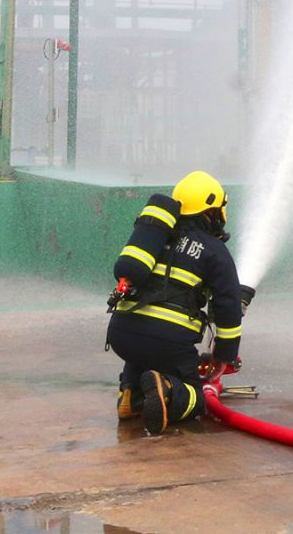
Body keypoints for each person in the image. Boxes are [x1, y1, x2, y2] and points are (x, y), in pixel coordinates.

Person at [106, 170, 245, 435]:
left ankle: (130, 395)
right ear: (211, 211)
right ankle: (169, 391)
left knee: (143, 350)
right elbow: (228, 307)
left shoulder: (156, 238)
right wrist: (224, 356)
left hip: (121, 332)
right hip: (168, 341)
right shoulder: (215, 250)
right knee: (196, 397)